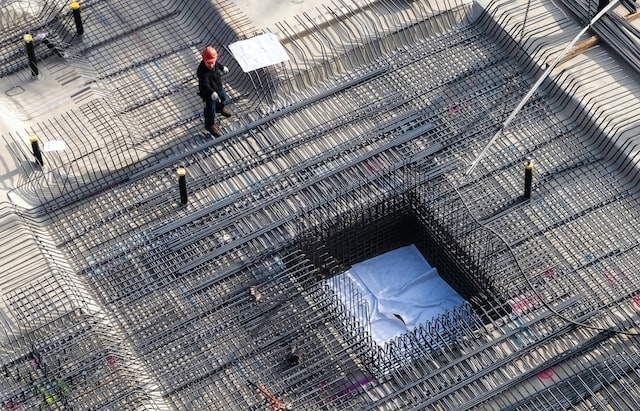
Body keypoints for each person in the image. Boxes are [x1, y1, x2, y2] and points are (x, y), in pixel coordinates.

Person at [197, 46, 233, 137]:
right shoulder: (202, 71)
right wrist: (211, 93)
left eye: (212, 62)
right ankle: (210, 125)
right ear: (204, 60)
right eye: (208, 63)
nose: (211, 65)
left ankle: (220, 108)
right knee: (210, 109)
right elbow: (205, 84)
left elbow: (217, 64)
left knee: (223, 98)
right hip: (208, 93)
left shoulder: (214, 63)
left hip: (218, 86)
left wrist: (222, 67)